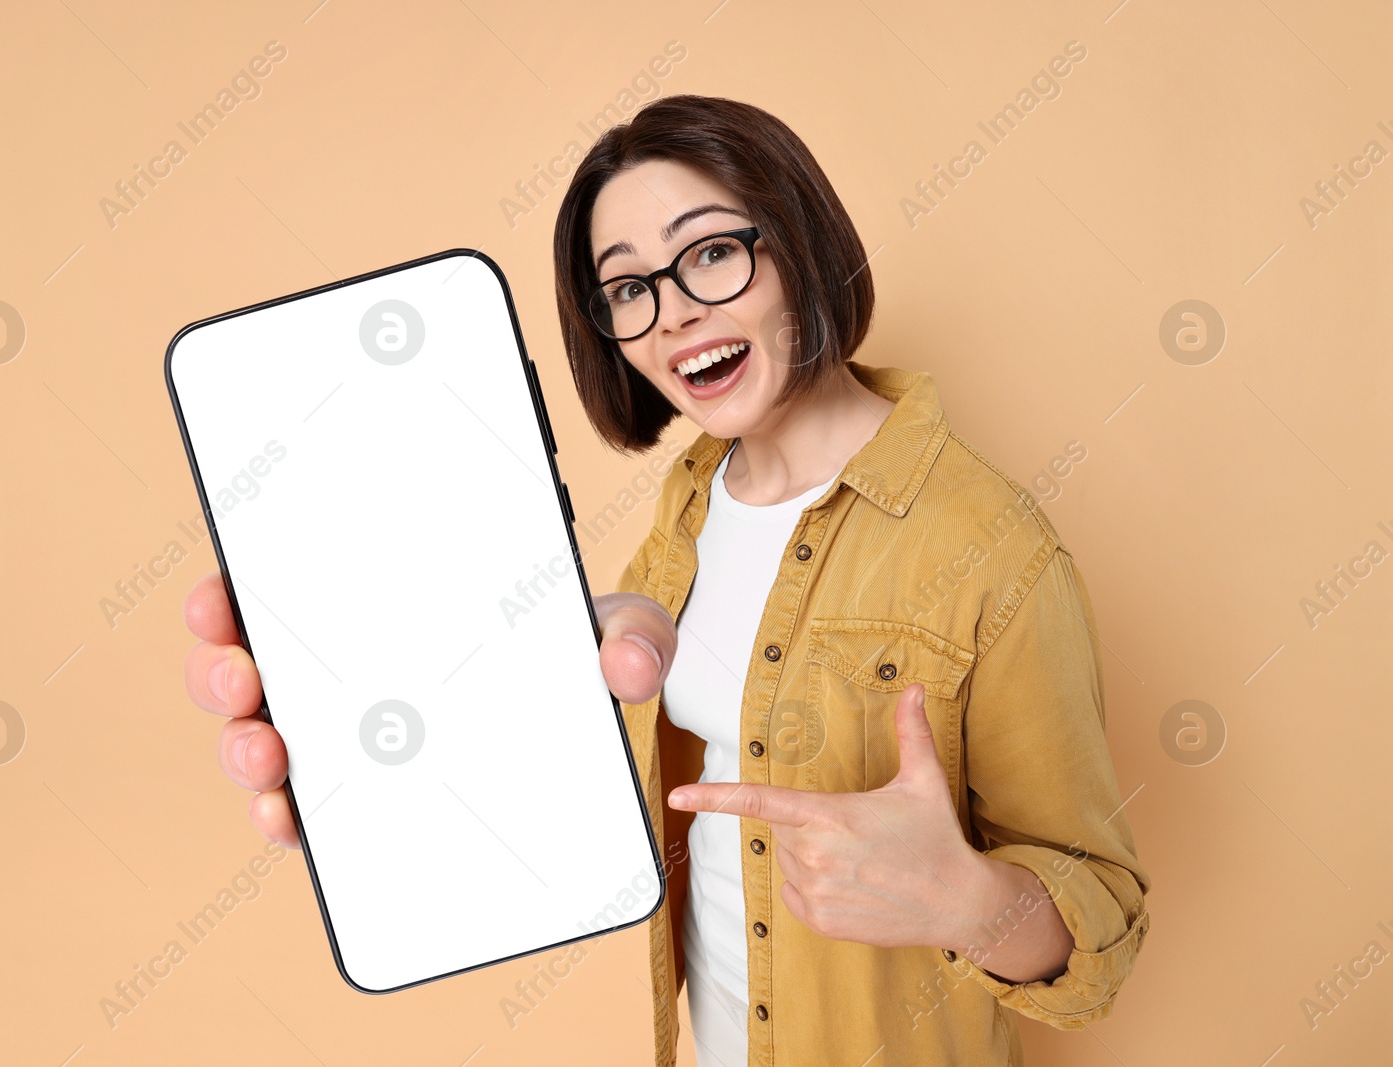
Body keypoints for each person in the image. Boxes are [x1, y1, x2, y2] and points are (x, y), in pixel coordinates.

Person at [182, 94, 1150, 1067]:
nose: (675, 310)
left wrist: (967, 900)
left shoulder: (990, 544)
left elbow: (1103, 921)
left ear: (799, 244)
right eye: (628, 287)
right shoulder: (686, 510)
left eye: (711, 252)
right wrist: (394, 759)